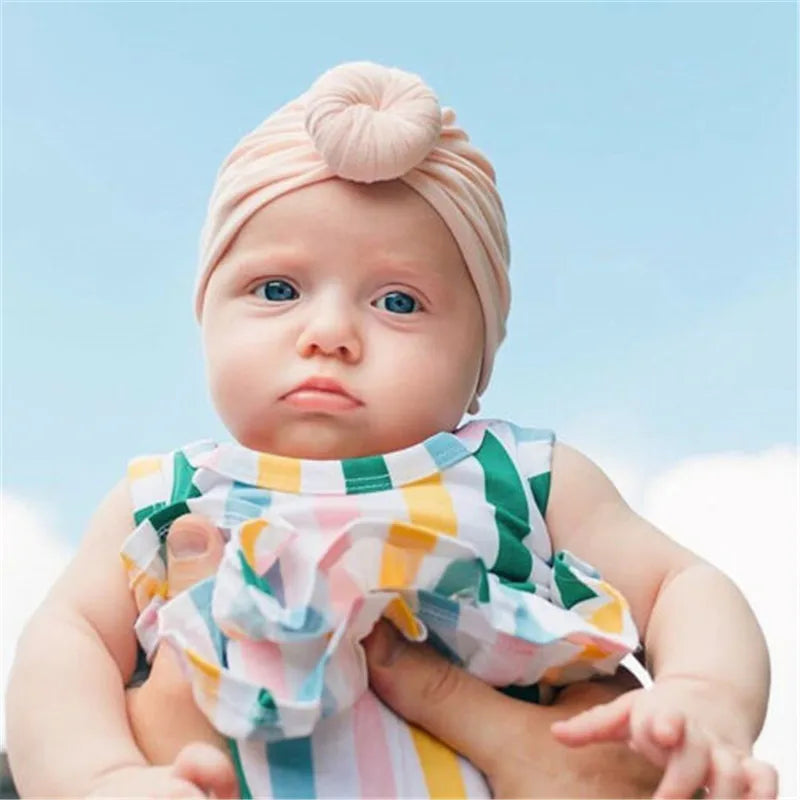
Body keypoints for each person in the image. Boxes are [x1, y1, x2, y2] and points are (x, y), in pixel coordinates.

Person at [6, 62, 777, 799]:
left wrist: (704, 693)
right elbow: (65, 646)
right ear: (206, 317)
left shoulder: (521, 475)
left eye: (399, 302)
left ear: (480, 359)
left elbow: (684, 584)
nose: (330, 333)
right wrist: (98, 777)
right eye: (277, 289)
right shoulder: (166, 497)